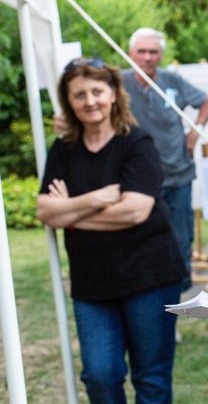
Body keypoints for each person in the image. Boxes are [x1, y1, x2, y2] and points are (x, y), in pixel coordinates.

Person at [37, 58, 186, 404]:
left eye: (97, 91)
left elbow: (135, 211)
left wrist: (71, 212)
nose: (89, 101)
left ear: (114, 95)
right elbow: (45, 210)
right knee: (100, 376)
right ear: (68, 102)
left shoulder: (137, 142)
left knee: (151, 379)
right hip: (92, 284)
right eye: (79, 95)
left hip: (150, 276)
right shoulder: (64, 149)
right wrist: (97, 199)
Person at [124, 28, 208, 292]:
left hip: (177, 175)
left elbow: (207, 101)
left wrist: (194, 133)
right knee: (140, 242)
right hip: (137, 180)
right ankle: (147, 297)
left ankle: (178, 302)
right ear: (131, 54)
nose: (148, 57)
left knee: (179, 240)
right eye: (142, 51)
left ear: (161, 55)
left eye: (153, 52)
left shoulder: (173, 81)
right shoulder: (118, 83)